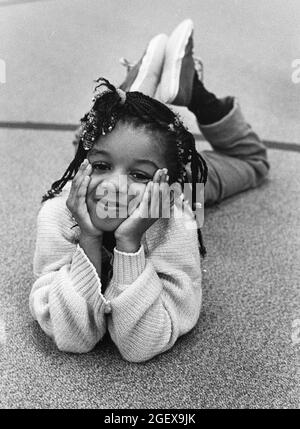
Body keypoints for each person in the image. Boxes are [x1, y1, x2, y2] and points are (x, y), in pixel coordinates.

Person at [29, 20, 269, 362]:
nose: (113, 187)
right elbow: (74, 337)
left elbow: (142, 344)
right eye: (100, 167)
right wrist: (88, 239)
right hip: (134, 164)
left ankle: (185, 94)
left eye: (138, 175)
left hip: (169, 187)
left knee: (253, 161)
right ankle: (127, 103)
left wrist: (128, 245)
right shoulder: (58, 212)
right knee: (97, 137)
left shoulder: (178, 214)